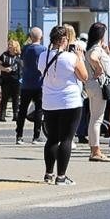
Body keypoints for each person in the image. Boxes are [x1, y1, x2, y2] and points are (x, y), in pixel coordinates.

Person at [39, 24, 89, 185]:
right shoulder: (70, 57)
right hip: (69, 102)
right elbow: (84, 76)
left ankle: (48, 173)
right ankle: (61, 176)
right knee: (66, 139)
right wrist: (80, 57)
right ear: (63, 40)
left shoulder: (43, 56)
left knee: (52, 138)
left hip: (49, 102)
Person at [83, 22, 110, 162]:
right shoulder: (96, 49)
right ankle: (96, 151)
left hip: (91, 85)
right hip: (98, 85)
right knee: (97, 119)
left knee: (94, 118)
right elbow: (94, 58)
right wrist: (99, 68)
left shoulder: (92, 48)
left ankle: (94, 149)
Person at [15, 27, 46, 144]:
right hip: (39, 83)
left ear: (30, 37)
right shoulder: (43, 49)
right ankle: (36, 136)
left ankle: (19, 135)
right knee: (39, 110)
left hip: (26, 83)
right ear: (41, 37)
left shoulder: (25, 48)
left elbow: (22, 62)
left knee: (22, 109)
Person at [0, 35, 22, 121]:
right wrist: (4, 69)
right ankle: (2, 115)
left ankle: (15, 115)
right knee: (4, 97)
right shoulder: (4, 55)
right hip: (6, 80)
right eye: (9, 45)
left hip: (16, 80)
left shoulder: (19, 57)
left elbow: (22, 68)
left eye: (11, 45)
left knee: (16, 97)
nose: (9, 47)